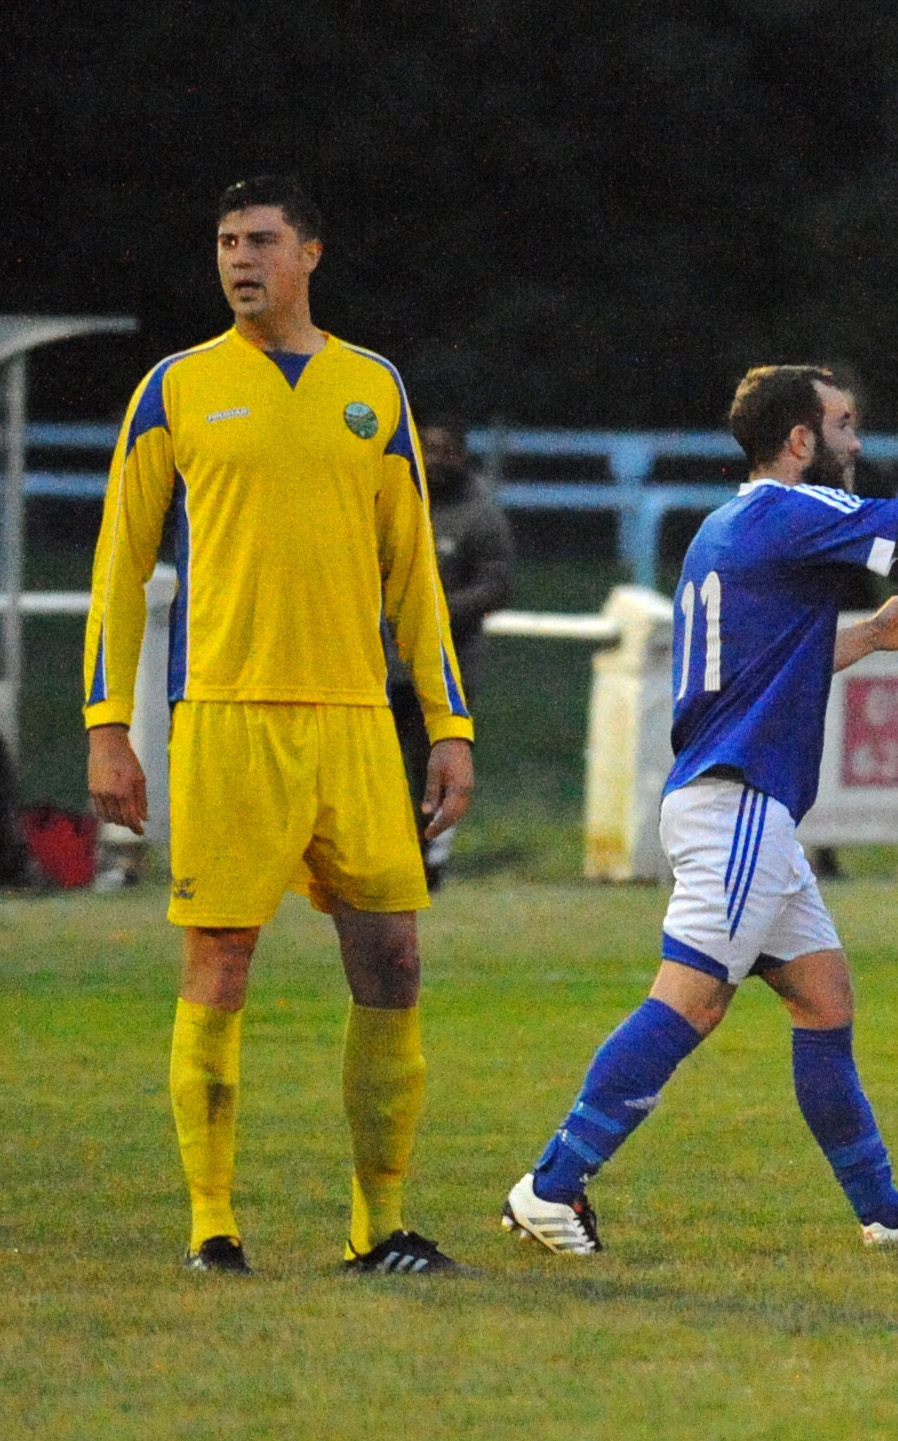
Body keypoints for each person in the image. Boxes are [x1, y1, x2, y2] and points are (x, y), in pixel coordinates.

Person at [502, 357, 898, 1257]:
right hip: (739, 804)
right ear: (802, 439)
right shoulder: (791, 509)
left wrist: (871, 636)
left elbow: (764, 663)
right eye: (844, 426)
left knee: (824, 999)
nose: (856, 443)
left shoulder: (727, 525)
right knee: (689, 1002)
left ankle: (884, 1213)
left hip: (735, 801)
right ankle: (552, 1182)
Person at [83, 175, 475, 1275]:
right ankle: (213, 1224)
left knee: (394, 959)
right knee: (221, 962)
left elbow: (416, 578)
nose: (238, 259)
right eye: (223, 242)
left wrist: (449, 723)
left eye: (260, 240)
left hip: (355, 719)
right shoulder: (177, 387)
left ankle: (380, 1224)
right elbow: (120, 567)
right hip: (227, 716)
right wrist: (108, 723)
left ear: (310, 253)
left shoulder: (372, 388)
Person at [385, 417, 513, 888]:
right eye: (428, 449)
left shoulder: (480, 514)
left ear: (462, 455)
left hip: (447, 667)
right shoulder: (394, 499)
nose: (436, 460)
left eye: (446, 450)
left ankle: (430, 858)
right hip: (384, 664)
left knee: (433, 767)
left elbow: (498, 584)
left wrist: (434, 613)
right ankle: (383, 858)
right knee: (380, 767)